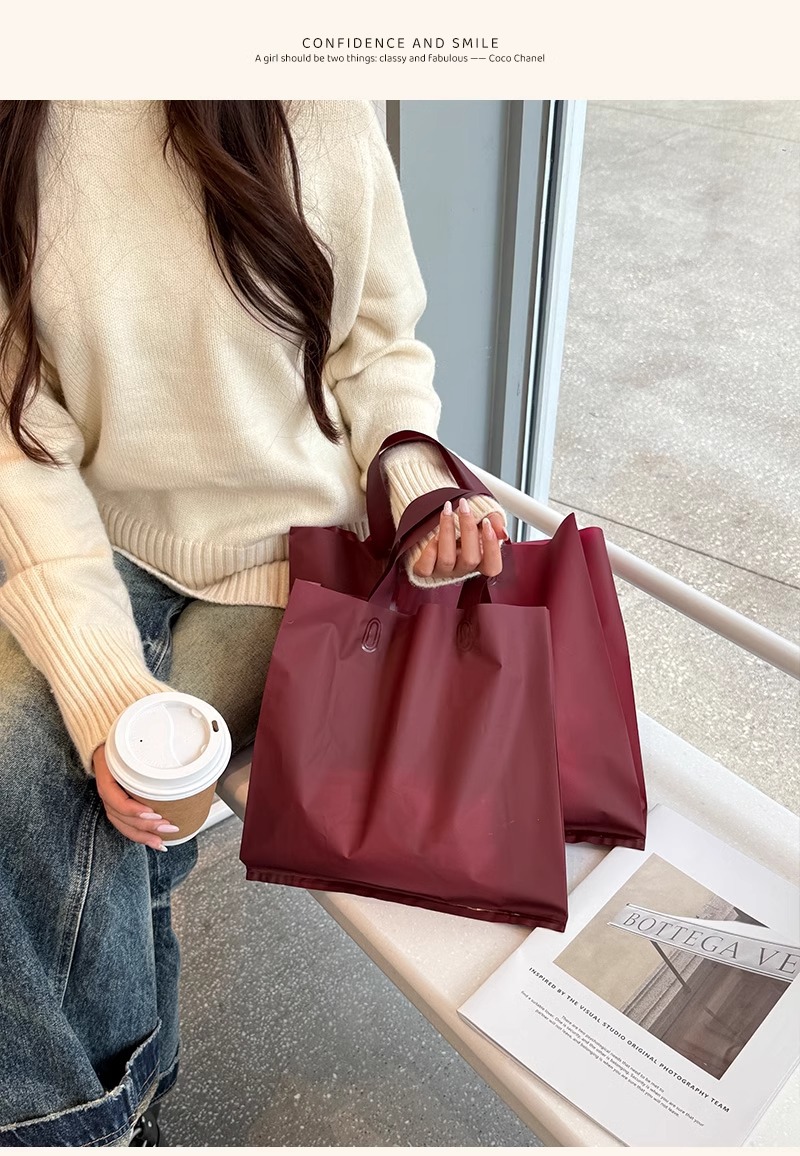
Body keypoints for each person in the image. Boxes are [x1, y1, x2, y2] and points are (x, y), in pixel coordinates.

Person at [0, 100, 507, 1146]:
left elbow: (376, 347)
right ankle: (108, 1122)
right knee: (43, 777)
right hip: (95, 531)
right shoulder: (22, 123)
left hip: (291, 556)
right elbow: (21, 442)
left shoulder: (311, 90)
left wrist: (414, 483)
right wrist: (104, 689)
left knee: (100, 809)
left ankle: (92, 1127)